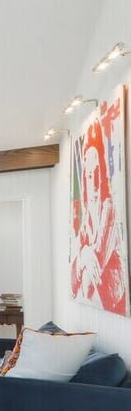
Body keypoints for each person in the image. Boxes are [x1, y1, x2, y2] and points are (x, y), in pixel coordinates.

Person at [70, 109, 128, 315]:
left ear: (103, 174)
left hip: (113, 295)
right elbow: (76, 271)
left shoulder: (109, 209)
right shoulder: (87, 218)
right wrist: (84, 253)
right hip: (97, 298)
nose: (92, 179)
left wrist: (85, 254)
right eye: (88, 173)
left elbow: (96, 261)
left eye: (96, 172)